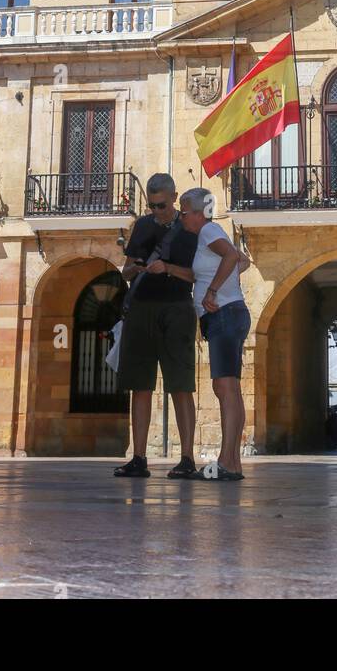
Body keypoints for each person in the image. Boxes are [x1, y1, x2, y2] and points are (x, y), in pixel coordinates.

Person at [113, 173, 199, 479]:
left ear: (174, 198)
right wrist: (136, 267)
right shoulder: (143, 226)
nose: (156, 211)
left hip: (176, 309)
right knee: (140, 385)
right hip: (141, 309)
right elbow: (125, 271)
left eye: (161, 205)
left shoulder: (189, 229)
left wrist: (168, 268)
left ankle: (187, 458)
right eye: (151, 206)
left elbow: (196, 276)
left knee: (181, 385)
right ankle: (138, 457)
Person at [179, 187, 251, 480]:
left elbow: (234, 256)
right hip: (227, 314)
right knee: (229, 388)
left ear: (198, 213)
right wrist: (221, 280)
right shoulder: (209, 235)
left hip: (223, 314)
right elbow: (241, 261)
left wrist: (212, 291)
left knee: (224, 388)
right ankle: (232, 462)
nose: (182, 218)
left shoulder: (209, 231)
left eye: (184, 213)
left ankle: (226, 461)